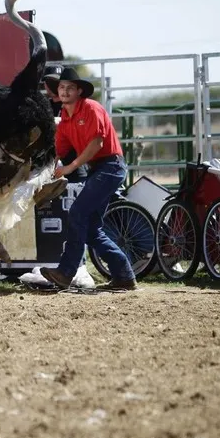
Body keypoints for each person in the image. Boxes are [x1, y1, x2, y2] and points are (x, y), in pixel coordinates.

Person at [40, 67, 136, 291]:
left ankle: (65, 272)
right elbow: (58, 150)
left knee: (77, 213)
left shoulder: (91, 108)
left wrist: (71, 166)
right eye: (61, 88)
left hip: (110, 166)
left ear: (79, 91)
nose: (64, 91)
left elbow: (97, 143)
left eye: (69, 88)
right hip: (99, 169)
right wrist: (46, 172)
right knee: (92, 229)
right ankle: (124, 275)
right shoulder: (65, 117)